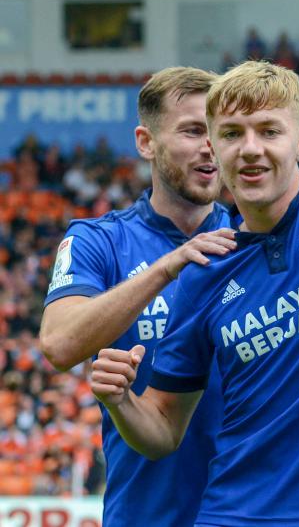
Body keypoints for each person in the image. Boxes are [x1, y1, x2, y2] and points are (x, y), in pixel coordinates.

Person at [88, 61, 299, 525]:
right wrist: (121, 401)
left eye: (269, 131)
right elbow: (164, 428)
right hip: (237, 514)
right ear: (214, 145)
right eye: (231, 135)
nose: (250, 150)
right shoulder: (203, 274)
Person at [38, 67, 235, 526]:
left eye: (218, 133)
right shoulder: (97, 241)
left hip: (249, 510)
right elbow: (59, 345)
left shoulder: (254, 238)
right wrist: (170, 266)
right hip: (146, 513)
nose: (210, 146)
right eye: (192, 131)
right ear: (146, 142)